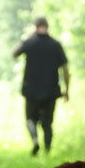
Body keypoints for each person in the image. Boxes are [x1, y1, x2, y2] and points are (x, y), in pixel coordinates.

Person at [13, 17, 69, 155]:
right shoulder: (56, 45)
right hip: (51, 90)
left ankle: (35, 141)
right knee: (47, 123)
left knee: (30, 119)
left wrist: (26, 39)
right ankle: (47, 151)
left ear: (35, 26)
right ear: (47, 26)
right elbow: (65, 69)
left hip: (31, 90)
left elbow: (14, 53)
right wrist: (66, 89)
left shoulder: (29, 42)